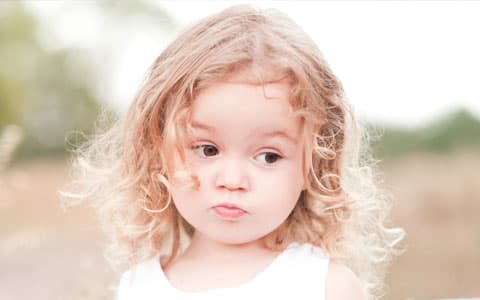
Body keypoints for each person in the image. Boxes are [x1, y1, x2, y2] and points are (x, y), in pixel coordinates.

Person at [61, 4, 405, 300]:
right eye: (207, 149)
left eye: (268, 156)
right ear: (158, 153)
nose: (232, 180)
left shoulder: (326, 286)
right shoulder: (139, 288)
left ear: (313, 164)